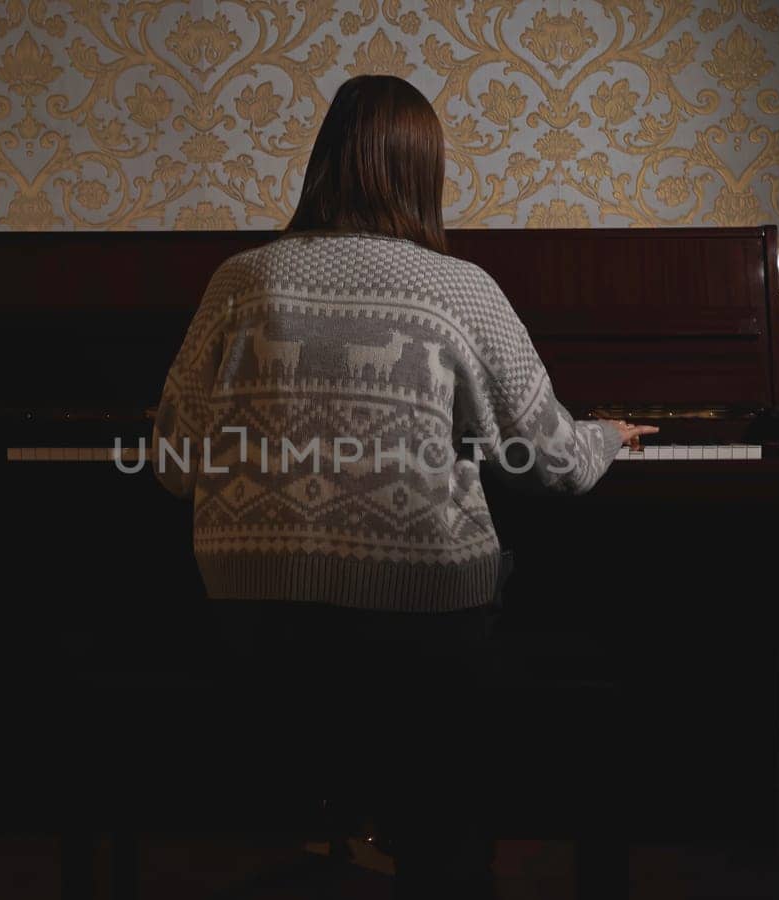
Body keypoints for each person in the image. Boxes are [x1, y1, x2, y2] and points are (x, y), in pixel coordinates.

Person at [151, 74, 657, 898]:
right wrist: (609, 435)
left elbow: (171, 463)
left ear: (322, 162)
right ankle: (438, 842)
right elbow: (556, 463)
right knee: (484, 619)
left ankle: (343, 813)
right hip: (422, 620)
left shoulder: (237, 281)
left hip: (256, 618)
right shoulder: (461, 289)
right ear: (426, 171)